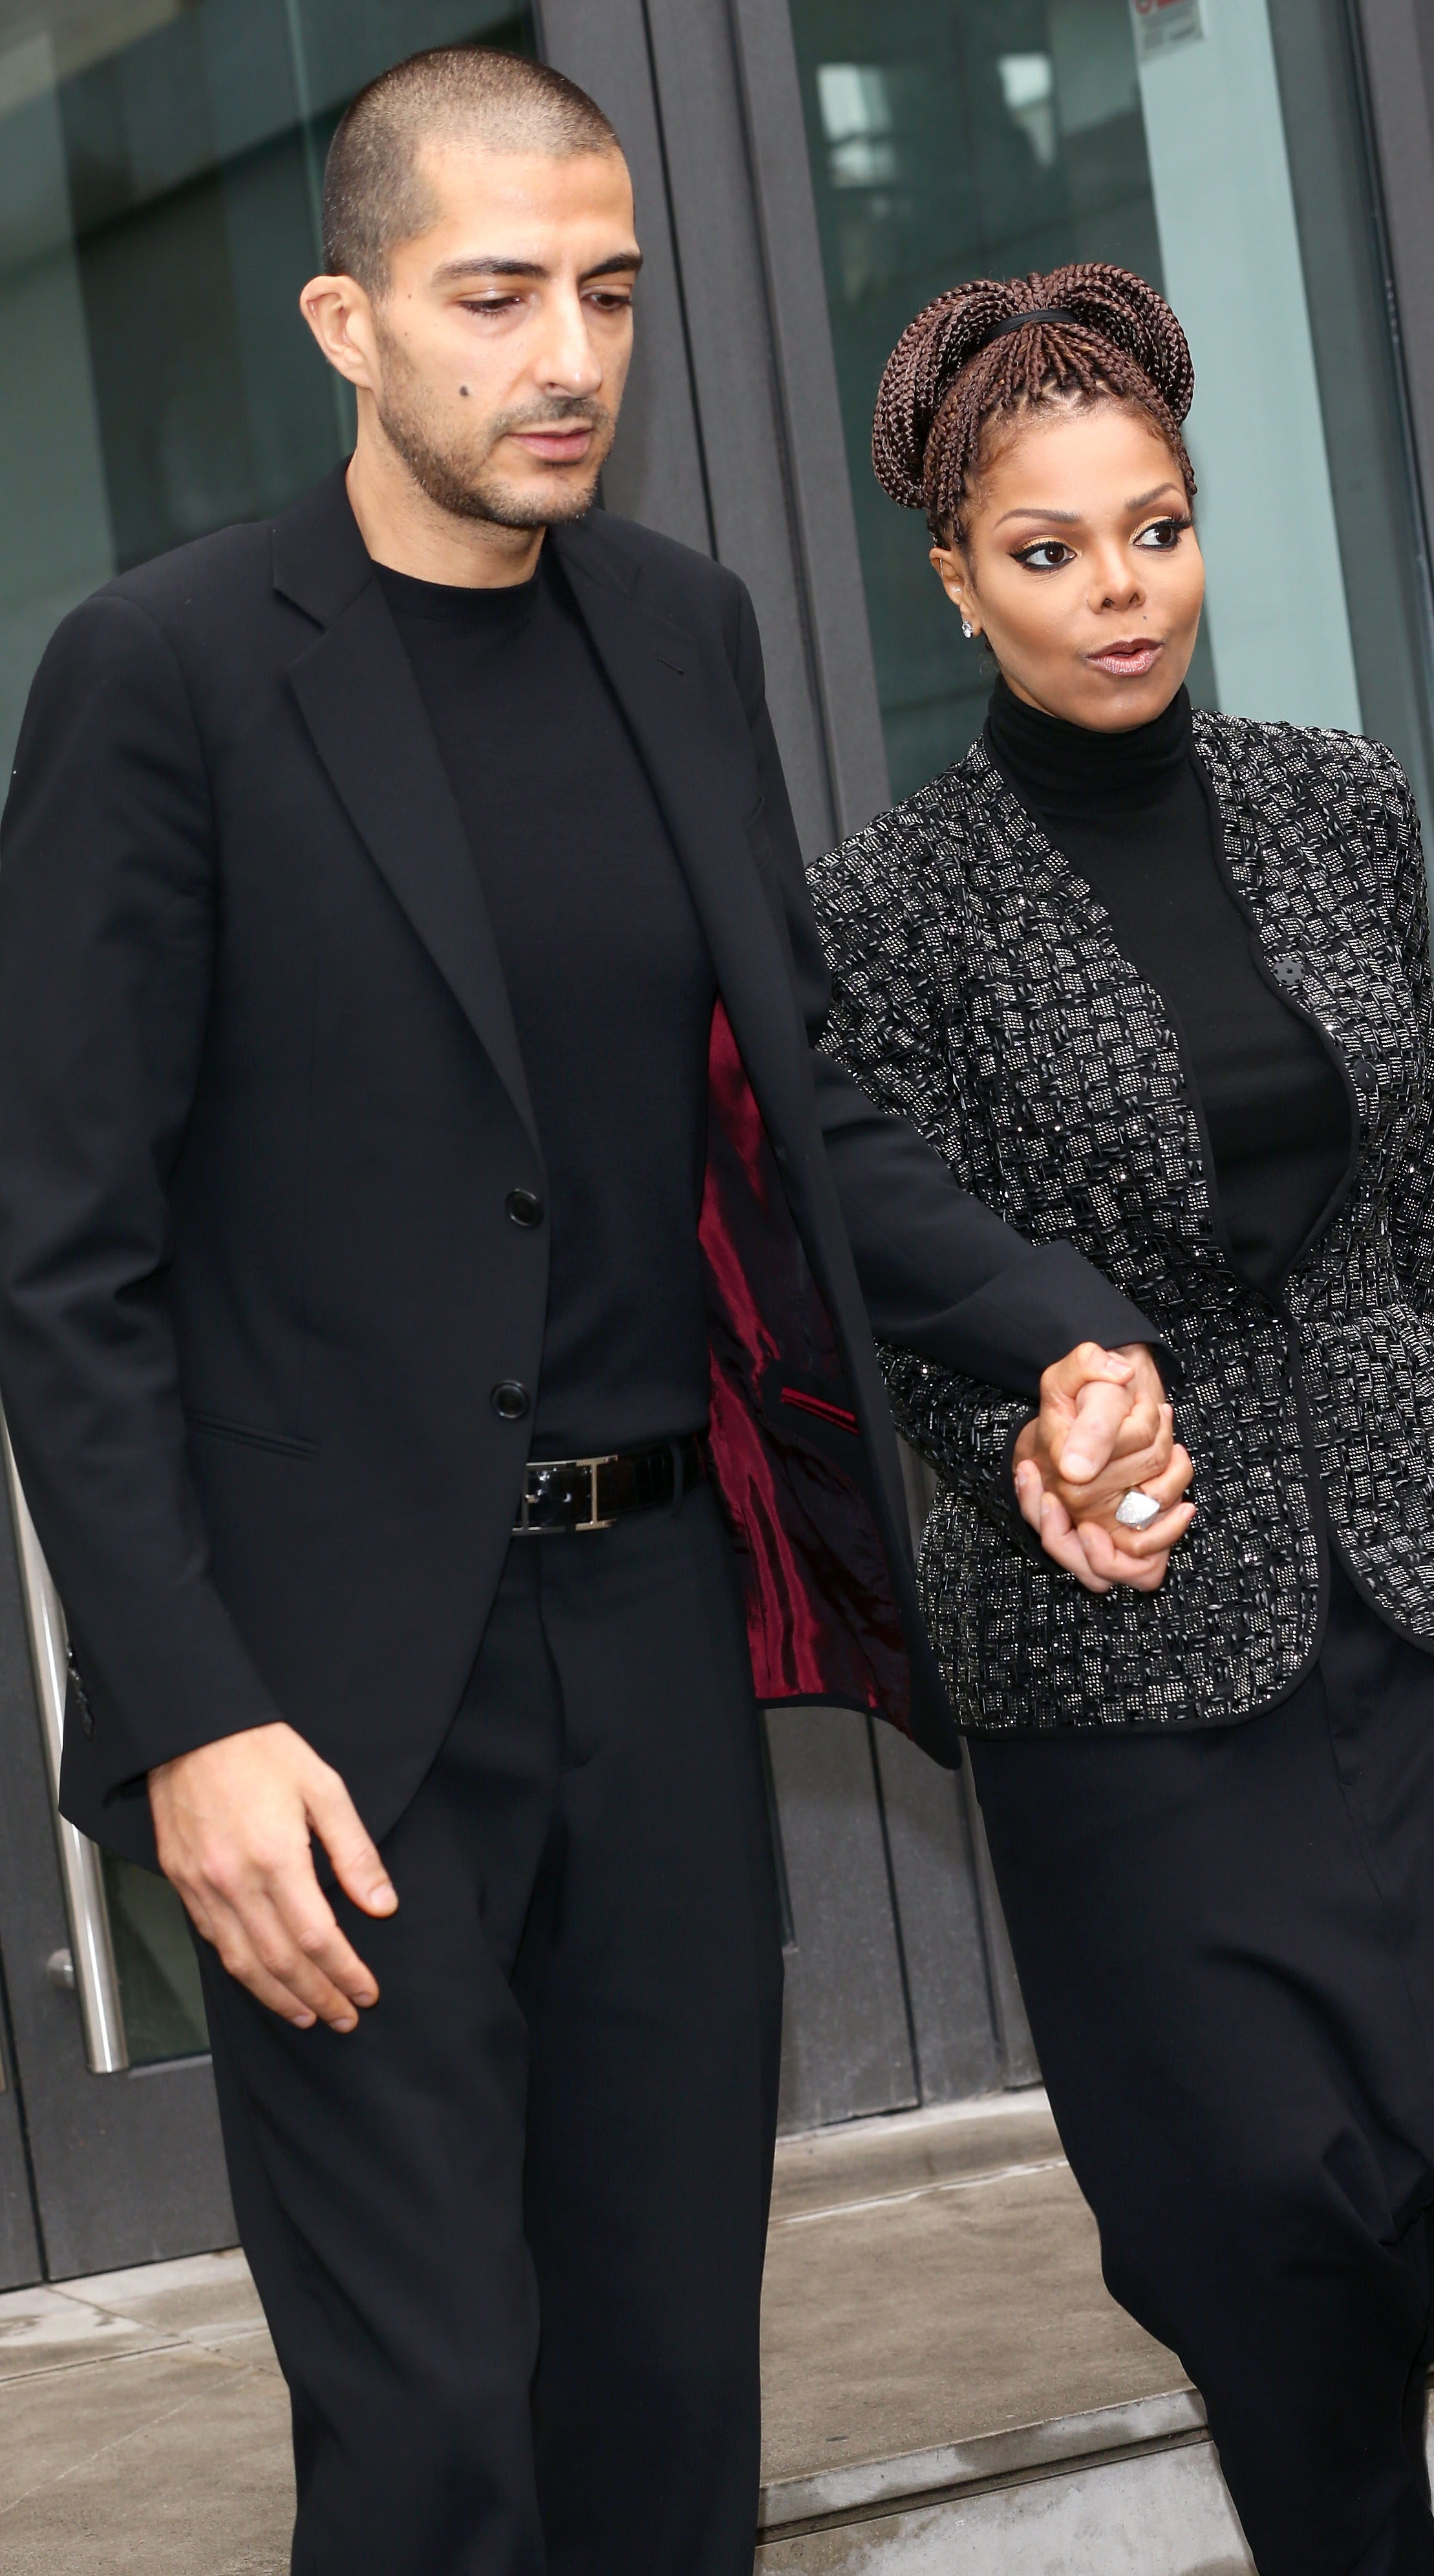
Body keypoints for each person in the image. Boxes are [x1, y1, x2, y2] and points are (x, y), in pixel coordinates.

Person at [0, 67, 1183, 2576]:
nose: (569, 353)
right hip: (336, 1710)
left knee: (663, 2414)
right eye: (495, 294)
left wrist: (1052, 1333)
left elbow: (804, 1111)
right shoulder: (168, 677)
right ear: (348, 319)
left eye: (611, 293)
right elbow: (58, 1258)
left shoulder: (681, 632)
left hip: (652, 1645)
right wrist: (194, 1715)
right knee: (434, 2442)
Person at [806, 261, 1434, 2576]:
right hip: (1128, 1626)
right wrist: (1037, 1451)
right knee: (1265, 2211)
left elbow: (1398, 1207)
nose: (1121, 592)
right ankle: (1277, 2337)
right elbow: (904, 1300)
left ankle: (1304, 2295)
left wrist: (1413, 1427)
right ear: (956, 578)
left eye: (1158, 529)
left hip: (1424, 1550)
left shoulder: (1342, 801)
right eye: (1052, 548)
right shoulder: (889, 907)